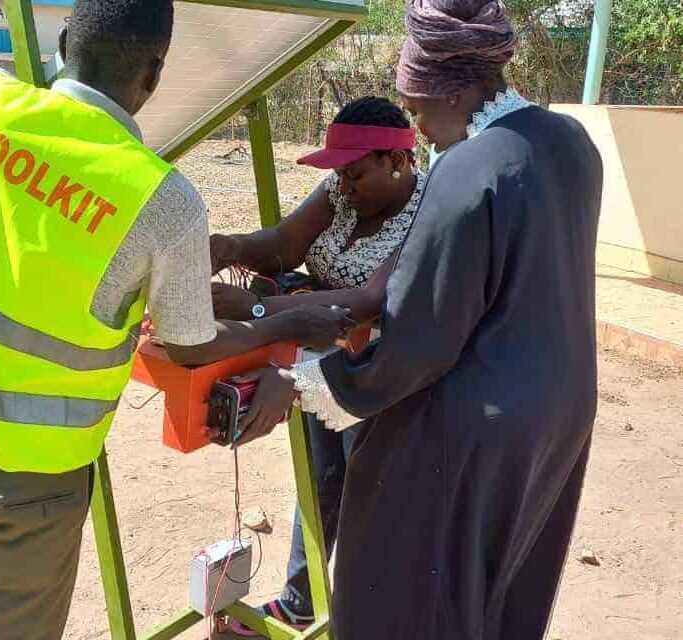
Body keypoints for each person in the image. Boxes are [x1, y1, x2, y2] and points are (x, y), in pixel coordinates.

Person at [0, 2, 350, 639]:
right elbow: (190, 348)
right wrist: (284, 326)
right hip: (33, 482)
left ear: (64, 38)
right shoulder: (162, 199)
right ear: (156, 75)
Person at [236, 1, 604, 638]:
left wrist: (302, 380)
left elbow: (420, 336)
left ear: (457, 88)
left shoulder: (465, 170)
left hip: (474, 424)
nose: (420, 128)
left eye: (419, 108)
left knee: (408, 580)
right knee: (499, 575)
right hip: (560, 409)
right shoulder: (572, 143)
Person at [212, 96, 425, 634]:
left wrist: (255, 311)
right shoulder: (341, 191)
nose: (344, 186)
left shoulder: (430, 211)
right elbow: (285, 243)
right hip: (318, 361)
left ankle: (370, 620)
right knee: (319, 478)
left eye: (354, 174)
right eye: (339, 174)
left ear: (397, 162)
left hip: (381, 374)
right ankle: (300, 602)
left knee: (371, 496)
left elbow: (368, 300)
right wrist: (232, 245)